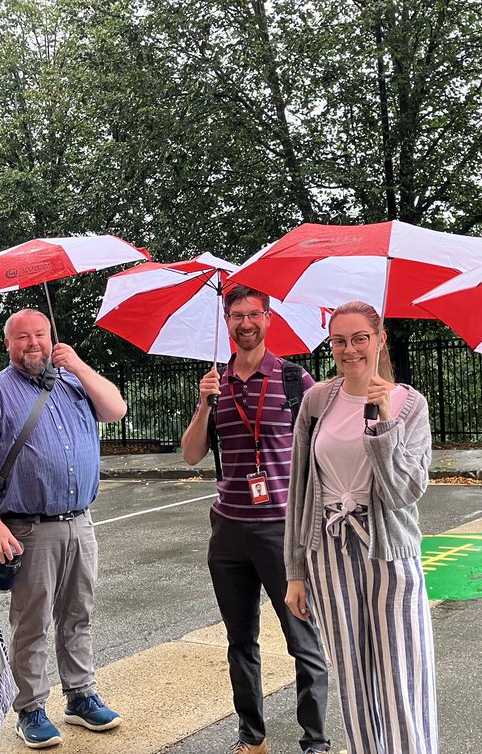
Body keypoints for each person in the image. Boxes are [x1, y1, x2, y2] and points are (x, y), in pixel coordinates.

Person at [0, 308, 127, 749]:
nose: (33, 343)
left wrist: (79, 365)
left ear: (51, 337)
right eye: (22, 337)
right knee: (32, 622)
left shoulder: (74, 382)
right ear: (8, 344)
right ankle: (31, 708)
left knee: (78, 614)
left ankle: (81, 696)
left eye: (40, 334)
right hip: (30, 528)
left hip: (80, 521)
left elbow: (116, 409)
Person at [283, 300, 439, 754]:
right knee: (352, 678)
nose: (350, 350)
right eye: (339, 341)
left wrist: (385, 421)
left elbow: (405, 491)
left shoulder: (410, 404)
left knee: (402, 676)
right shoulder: (317, 400)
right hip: (327, 549)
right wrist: (295, 571)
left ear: (380, 339)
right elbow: (299, 489)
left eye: (360, 338)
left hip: (390, 550)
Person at [180, 286, 331, 754]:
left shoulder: (294, 380)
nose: (245, 323)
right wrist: (204, 404)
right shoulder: (216, 383)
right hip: (228, 531)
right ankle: (253, 738)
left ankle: (315, 741)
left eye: (254, 314)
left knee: (302, 641)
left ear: (268, 319)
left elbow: (326, 447)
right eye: (236, 315)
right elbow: (191, 455)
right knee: (240, 641)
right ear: (226, 321)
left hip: (282, 529)